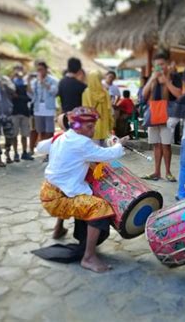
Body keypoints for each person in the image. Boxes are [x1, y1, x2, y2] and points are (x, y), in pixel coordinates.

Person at [38, 106, 128, 272]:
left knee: (79, 190)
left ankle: (59, 229)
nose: (93, 131)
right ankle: (89, 258)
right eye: (89, 127)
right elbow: (108, 154)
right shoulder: (81, 143)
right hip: (58, 199)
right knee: (99, 207)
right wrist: (119, 145)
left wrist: (55, 141)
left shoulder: (62, 137)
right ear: (77, 127)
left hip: (49, 192)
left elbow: (40, 147)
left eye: (93, 126)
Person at [142, 52, 182, 182]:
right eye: (157, 65)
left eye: (162, 64)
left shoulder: (174, 76)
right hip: (153, 114)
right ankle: (157, 172)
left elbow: (179, 94)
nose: (160, 67)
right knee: (156, 145)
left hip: (167, 115)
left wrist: (166, 82)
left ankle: (168, 172)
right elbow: (143, 94)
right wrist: (152, 78)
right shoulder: (152, 77)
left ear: (167, 64)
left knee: (166, 145)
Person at [28, 61, 58, 150]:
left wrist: (43, 82)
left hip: (49, 108)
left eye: (41, 69)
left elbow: (54, 92)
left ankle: (49, 151)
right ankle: (44, 150)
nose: (39, 71)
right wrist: (29, 82)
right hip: (38, 108)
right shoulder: (35, 82)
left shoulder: (53, 80)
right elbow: (31, 94)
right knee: (40, 130)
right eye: (38, 70)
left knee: (49, 131)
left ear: (46, 70)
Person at [82, 71, 114, 145]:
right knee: (105, 151)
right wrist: (111, 124)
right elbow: (109, 109)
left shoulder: (86, 93)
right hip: (105, 125)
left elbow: (85, 110)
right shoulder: (105, 92)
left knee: (94, 151)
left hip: (92, 126)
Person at [11, 66, 33, 162]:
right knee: (14, 134)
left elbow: (30, 96)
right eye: (17, 70)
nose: (19, 72)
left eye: (20, 70)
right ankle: (15, 153)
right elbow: (11, 94)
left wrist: (27, 80)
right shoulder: (11, 83)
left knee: (25, 134)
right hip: (14, 112)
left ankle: (24, 152)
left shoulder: (26, 83)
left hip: (24, 112)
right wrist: (12, 78)